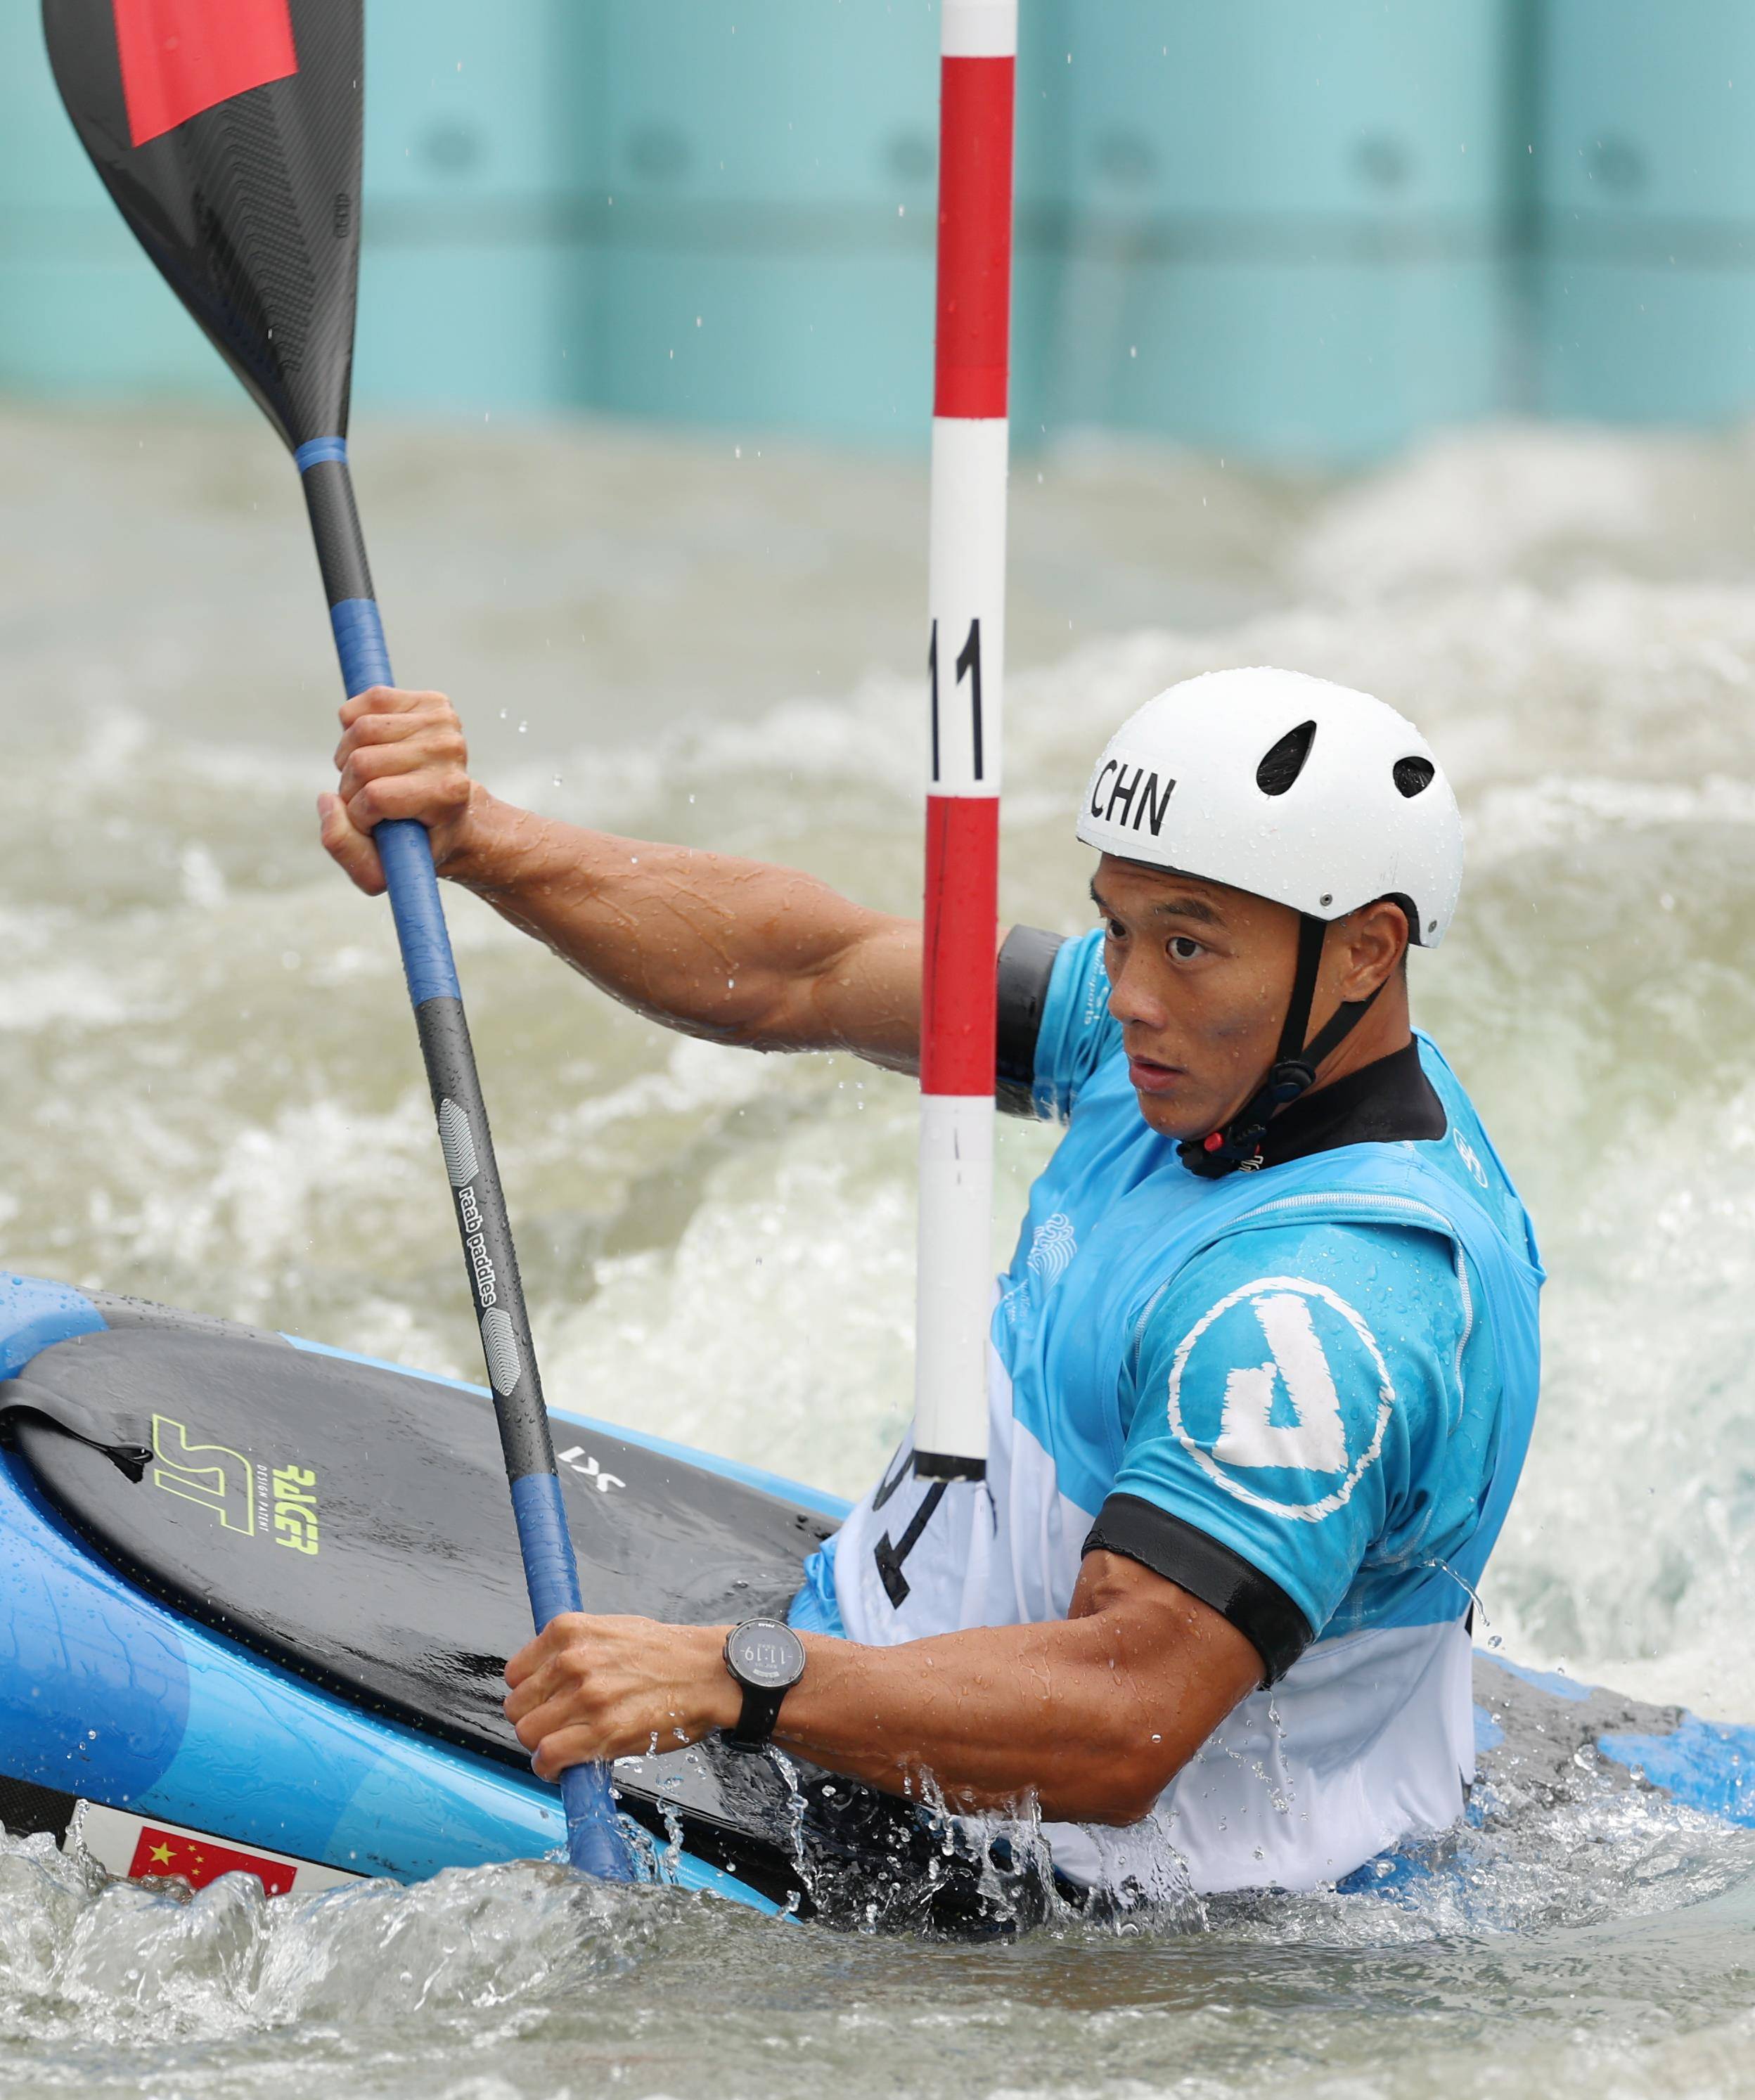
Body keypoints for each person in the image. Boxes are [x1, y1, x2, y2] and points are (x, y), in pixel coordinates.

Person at [319, 664, 1541, 1899]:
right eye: (1117, 929)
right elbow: (811, 969)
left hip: (1070, 1886)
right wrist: (484, 839)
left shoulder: (1312, 1319)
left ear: (1366, 952)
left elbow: (1127, 1722)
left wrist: (737, 1678)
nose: (1126, 995)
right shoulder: (1210, 1057)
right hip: (879, 1680)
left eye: (1186, 946)